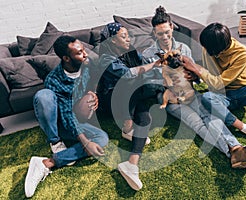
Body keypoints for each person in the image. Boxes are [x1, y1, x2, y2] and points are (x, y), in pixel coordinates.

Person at [142, 6, 246, 169]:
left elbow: (197, 78)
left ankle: (237, 148)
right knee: (197, 123)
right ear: (154, 33)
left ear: (172, 28)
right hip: (170, 98)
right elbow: (146, 84)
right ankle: (233, 152)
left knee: (209, 115)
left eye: (167, 32)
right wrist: (164, 81)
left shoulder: (183, 49)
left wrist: (194, 76)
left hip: (189, 92)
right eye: (160, 34)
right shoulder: (148, 55)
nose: (165, 37)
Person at [181, 22, 246, 183]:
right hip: (220, 97)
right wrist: (195, 76)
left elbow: (218, 83)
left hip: (241, 93)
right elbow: (210, 78)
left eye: (213, 52)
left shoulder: (243, 53)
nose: (209, 54)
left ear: (222, 48)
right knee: (207, 99)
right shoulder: (209, 48)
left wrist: (196, 69)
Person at [24, 35, 109, 198]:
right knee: (44, 96)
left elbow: (95, 81)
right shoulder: (55, 80)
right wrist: (85, 143)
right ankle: (55, 142)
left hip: (78, 117)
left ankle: (46, 163)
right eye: (79, 53)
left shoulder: (87, 65)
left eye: (83, 50)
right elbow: (65, 114)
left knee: (102, 138)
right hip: (60, 121)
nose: (85, 54)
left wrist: (94, 94)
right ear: (66, 58)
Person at [96, 22, 161, 190]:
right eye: (123, 36)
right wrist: (153, 67)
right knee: (143, 84)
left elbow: (144, 62)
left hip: (131, 97)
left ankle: (131, 163)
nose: (128, 39)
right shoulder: (105, 58)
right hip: (111, 102)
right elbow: (128, 74)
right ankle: (126, 124)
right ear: (112, 41)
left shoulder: (130, 52)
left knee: (145, 115)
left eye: (128, 35)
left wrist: (158, 58)